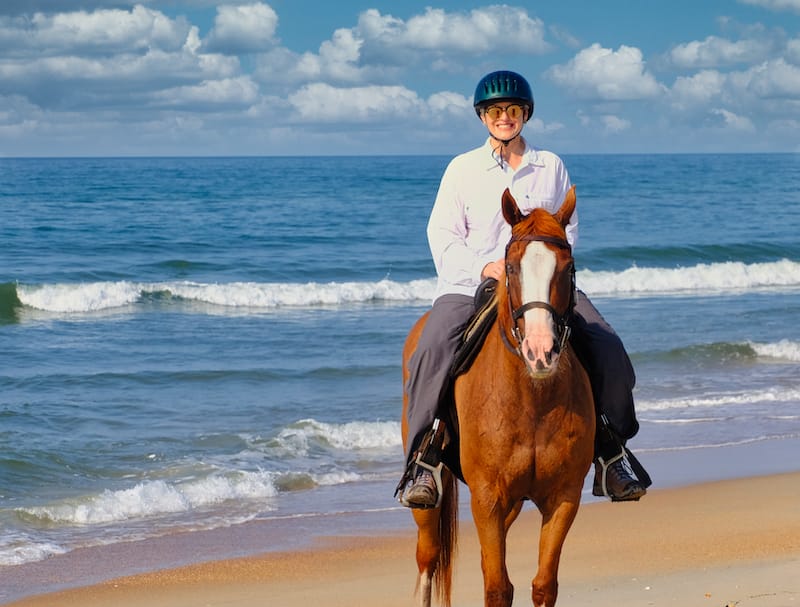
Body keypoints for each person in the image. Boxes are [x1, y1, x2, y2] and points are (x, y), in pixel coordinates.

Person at [398, 70, 651, 508]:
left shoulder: (550, 166)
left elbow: (567, 231)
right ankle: (425, 457)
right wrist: (486, 266)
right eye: (495, 111)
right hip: (471, 283)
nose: (504, 117)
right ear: (483, 117)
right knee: (432, 347)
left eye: (512, 110)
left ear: (525, 114)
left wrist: (547, 270)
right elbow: (442, 235)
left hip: (540, 286)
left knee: (606, 345)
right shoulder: (462, 169)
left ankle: (612, 448)